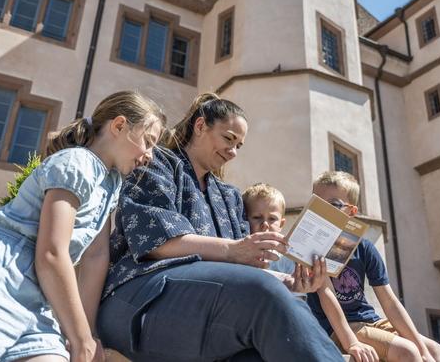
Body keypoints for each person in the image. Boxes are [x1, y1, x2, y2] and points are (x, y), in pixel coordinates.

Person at [0, 91, 164, 362]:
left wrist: (86, 332)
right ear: (119, 126)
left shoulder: (111, 185)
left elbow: (95, 258)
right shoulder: (76, 162)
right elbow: (51, 252)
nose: (150, 155)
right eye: (148, 141)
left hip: (40, 301)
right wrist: (81, 338)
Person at [97, 93, 344, 362]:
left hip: (206, 315)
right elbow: (158, 242)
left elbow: (242, 273)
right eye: (228, 138)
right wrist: (233, 249)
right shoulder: (154, 162)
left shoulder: (230, 196)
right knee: (262, 290)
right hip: (138, 297)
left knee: (257, 354)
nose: (233, 151)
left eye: (239, 145)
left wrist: (291, 283)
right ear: (201, 126)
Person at [308, 171, 440, 362]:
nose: (324, 210)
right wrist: (352, 343)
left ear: (351, 211)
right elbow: (326, 294)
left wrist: (423, 349)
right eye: (317, 203)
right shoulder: (313, 247)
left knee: (436, 351)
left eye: (332, 205)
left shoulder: (363, 247)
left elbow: (389, 301)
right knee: (407, 352)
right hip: (337, 327)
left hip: (370, 320)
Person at [242, 183, 380, 362]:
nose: (265, 225)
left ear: (282, 223)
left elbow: (325, 292)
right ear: (245, 219)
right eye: (257, 217)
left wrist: (352, 343)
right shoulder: (241, 255)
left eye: (272, 219)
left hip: (295, 327)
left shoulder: (295, 254)